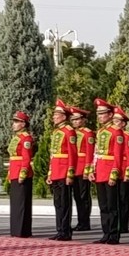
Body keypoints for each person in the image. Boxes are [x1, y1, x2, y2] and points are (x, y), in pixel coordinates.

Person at [92, 98, 125, 244]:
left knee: (112, 205)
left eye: (103, 114)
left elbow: (118, 155)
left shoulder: (116, 132)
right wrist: (93, 169)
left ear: (110, 115)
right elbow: (96, 153)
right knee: (103, 205)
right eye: (98, 114)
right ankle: (106, 232)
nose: (100, 116)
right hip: (100, 171)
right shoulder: (100, 132)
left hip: (110, 170)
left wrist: (114, 172)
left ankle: (114, 234)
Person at [46, 100, 78, 241]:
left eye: (56, 114)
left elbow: (72, 154)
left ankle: (65, 231)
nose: (53, 117)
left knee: (65, 203)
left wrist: (70, 173)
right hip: (56, 171)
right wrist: (50, 172)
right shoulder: (57, 132)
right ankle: (60, 229)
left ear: (64, 116)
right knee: (57, 202)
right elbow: (53, 155)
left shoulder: (69, 131)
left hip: (64, 171)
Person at [7, 110, 34, 238]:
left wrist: (23, 172)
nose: (14, 124)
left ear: (23, 124)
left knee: (22, 202)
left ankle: (22, 230)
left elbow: (26, 158)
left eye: (17, 122)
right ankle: (16, 229)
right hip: (14, 170)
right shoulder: (16, 138)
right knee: (16, 202)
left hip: (21, 172)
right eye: (14, 121)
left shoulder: (26, 138)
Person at [70, 105, 96, 231]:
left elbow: (90, 153)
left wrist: (88, 169)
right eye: (73, 120)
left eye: (77, 119)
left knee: (83, 196)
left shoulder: (88, 134)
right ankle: (80, 221)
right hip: (73, 168)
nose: (75, 122)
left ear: (84, 120)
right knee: (76, 196)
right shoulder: (72, 133)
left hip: (82, 168)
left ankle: (85, 221)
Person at [113, 106, 129, 236]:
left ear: (123, 123)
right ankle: (116, 223)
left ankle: (123, 224)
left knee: (124, 198)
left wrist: (128, 171)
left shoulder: (128, 136)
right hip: (115, 170)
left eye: (117, 121)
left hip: (124, 171)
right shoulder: (113, 134)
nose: (114, 123)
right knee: (115, 199)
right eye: (114, 120)